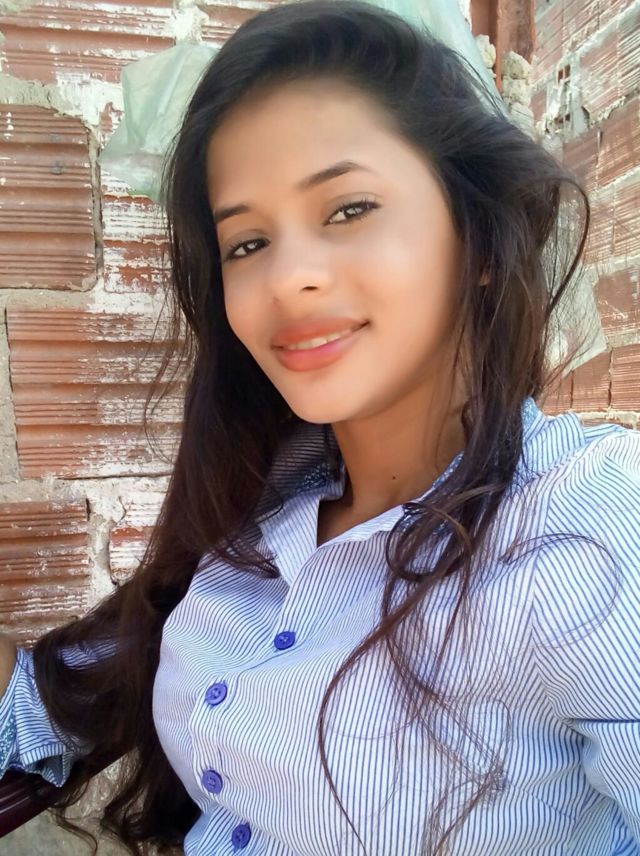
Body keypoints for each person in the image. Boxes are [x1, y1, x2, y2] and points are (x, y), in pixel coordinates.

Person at [1, 1, 639, 854]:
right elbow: (55, 699)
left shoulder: (594, 525)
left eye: (347, 209)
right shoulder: (256, 511)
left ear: (481, 240)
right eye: (246, 243)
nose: (287, 278)